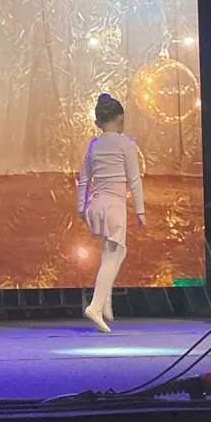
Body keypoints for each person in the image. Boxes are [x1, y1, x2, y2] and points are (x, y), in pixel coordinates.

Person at [75, 93, 144, 333]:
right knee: (112, 256)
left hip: (96, 205)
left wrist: (81, 207)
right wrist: (140, 211)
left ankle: (104, 300)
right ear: (120, 118)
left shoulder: (94, 145)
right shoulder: (127, 144)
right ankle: (95, 305)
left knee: (115, 252)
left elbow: (84, 179)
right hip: (114, 206)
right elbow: (134, 180)